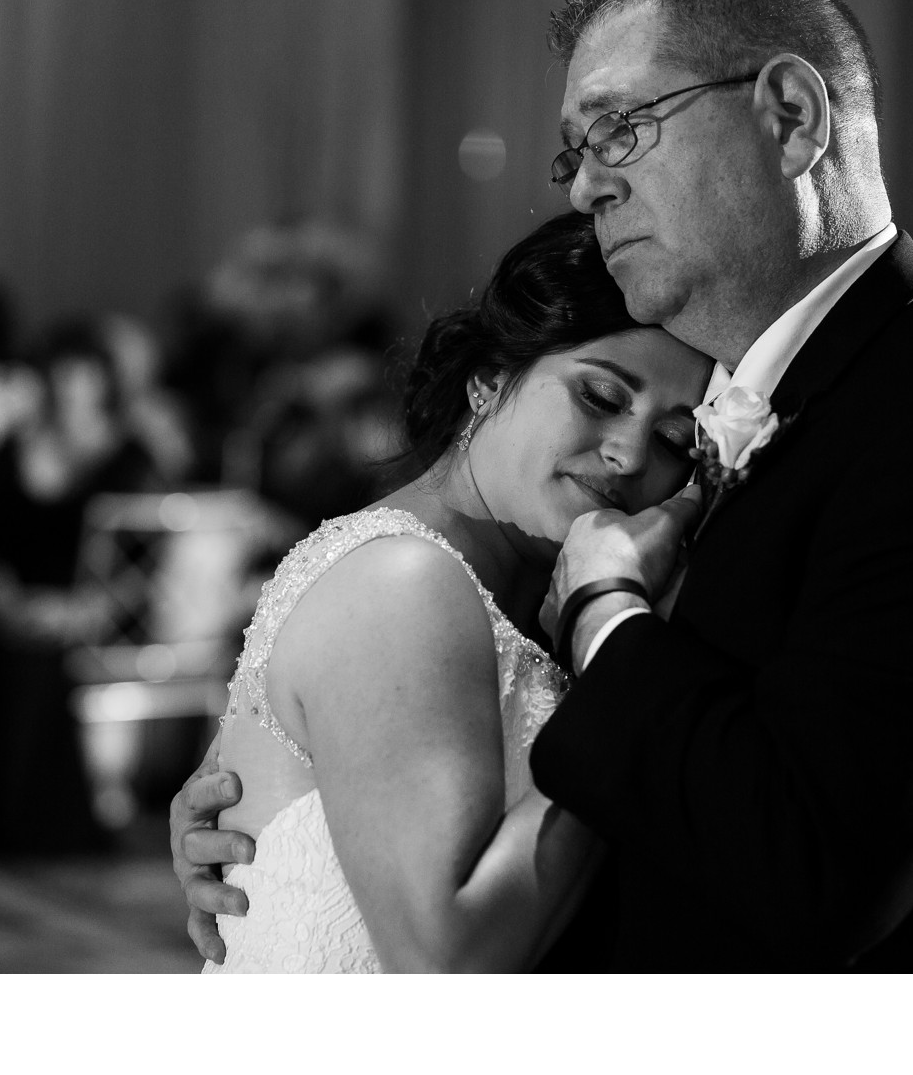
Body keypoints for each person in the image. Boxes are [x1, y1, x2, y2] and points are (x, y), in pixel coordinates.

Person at [174, 0, 913, 972]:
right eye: (574, 151)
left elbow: (806, 860)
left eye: (620, 130)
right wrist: (291, 809)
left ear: (788, 116)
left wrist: (606, 618)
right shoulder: (762, 412)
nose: (588, 187)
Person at [190, 211, 709, 971]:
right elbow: (444, 959)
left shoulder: (535, 587)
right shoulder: (403, 581)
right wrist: (620, 676)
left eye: (673, 439)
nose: (630, 453)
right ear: (488, 378)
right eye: (600, 397)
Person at [0, 320, 162, 854]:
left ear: (105, 382)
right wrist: (7, 604)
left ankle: (32, 829)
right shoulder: (12, 449)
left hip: (96, 616)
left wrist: (83, 610)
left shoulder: (130, 457)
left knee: (33, 671)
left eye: (84, 375)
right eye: (62, 374)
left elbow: (144, 559)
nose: (72, 387)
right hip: (18, 606)